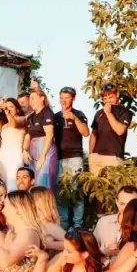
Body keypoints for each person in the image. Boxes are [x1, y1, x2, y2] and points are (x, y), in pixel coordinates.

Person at [54, 86, 90, 229]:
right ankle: (63, 225)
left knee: (76, 191)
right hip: (59, 158)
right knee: (61, 192)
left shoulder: (79, 114)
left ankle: (78, 225)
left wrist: (74, 118)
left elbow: (86, 132)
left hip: (75, 157)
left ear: (73, 99)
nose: (63, 101)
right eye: (61, 98)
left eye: (67, 98)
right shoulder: (55, 116)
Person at [89, 84, 134, 175]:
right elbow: (94, 134)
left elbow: (120, 130)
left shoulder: (125, 112)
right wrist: (91, 154)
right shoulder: (99, 113)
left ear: (117, 95)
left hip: (113, 156)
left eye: (111, 97)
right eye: (105, 98)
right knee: (95, 184)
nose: (108, 101)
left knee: (113, 183)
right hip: (96, 157)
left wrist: (108, 113)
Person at [23, 90, 58, 194]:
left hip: (45, 149)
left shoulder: (47, 112)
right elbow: (28, 136)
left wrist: (43, 156)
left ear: (42, 98)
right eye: (29, 99)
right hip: (33, 150)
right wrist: (24, 150)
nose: (30, 101)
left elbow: (49, 135)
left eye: (33, 98)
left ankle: (47, 203)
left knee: (44, 180)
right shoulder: (30, 117)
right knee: (34, 181)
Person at [94, 186, 137, 260]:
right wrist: (106, 251)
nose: (126, 208)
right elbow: (91, 250)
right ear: (117, 202)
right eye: (122, 204)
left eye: (130, 205)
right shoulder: (104, 222)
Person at [0, 98, 26, 190]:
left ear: (17, 109)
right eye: (7, 107)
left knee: (13, 179)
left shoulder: (22, 119)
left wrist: (6, 110)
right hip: (3, 154)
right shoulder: (4, 126)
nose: (9, 109)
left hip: (15, 154)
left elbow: (14, 124)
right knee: (2, 180)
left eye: (11, 107)